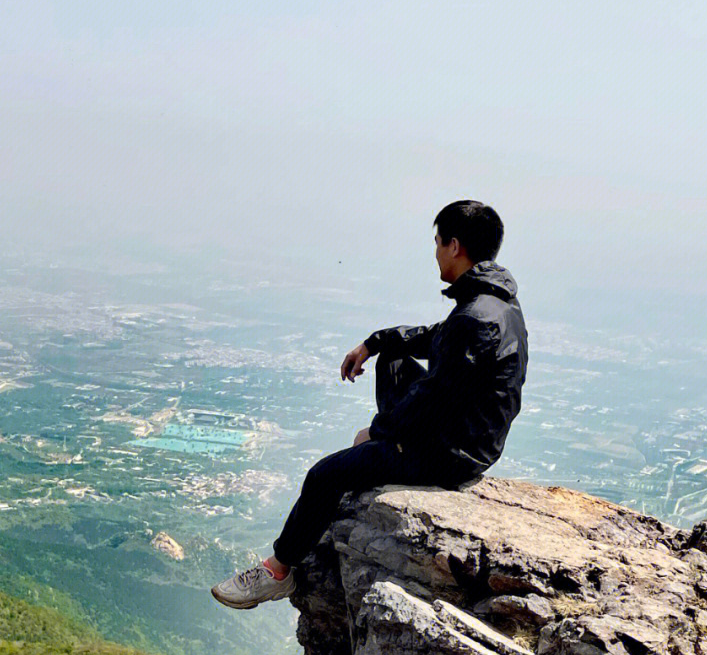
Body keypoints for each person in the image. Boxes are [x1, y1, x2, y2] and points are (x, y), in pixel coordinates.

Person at [210, 200, 528, 609]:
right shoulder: (495, 304)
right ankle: (386, 445)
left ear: (454, 245)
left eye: (437, 243)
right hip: (466, 436)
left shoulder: (476, 318)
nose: (434, 253)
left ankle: (277, 571)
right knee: (394, 361)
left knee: (325, 475)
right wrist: (375, 342)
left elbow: (434, 400)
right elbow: (434, 340)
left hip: (450, 455)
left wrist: (379, 434)